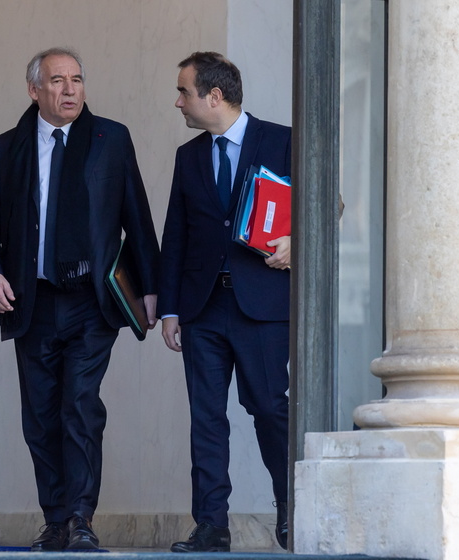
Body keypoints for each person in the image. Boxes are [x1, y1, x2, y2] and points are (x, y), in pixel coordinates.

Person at [0, 47, 159, 552]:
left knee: (79, 405)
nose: (71, 89)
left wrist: (152, 288)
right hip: (30, 302)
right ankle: (55, 519)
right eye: (58, 80)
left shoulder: (110, 138)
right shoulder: (8, 146)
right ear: (35, 90)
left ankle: (80, 516)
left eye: (77, 79)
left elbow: (135, 214)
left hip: (90, 301)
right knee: (40, 417)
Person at [158, 52, 291, 553]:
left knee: (268, 409)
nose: (178, 102)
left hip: (261, 307)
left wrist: (297, 240)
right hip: (202, 309)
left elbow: (329, 203)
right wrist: (170, 308)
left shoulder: (283, 140)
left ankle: (290, 508)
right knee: (206, 417)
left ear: (214, 96)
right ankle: (211, 525)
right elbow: (177, 234)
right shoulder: (188, 156)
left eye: (183, 92)